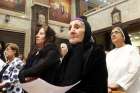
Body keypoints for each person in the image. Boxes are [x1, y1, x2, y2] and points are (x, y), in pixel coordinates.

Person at [56, 16, 108, 93]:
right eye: (70, 28)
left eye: (77, 27)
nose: (72, 31)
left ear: (87, 31)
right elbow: (60, 80)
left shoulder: (96, 52)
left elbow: (99, 87)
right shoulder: (69, 54)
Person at [106, 26, 140, 93]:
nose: (113, 34)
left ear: (123, 36)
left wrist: (119, 84)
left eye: (116, 32)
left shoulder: (132, 49)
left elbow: (135, 70)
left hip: (129, 89)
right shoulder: (110, 54)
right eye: (112, 33)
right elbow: (106, 72)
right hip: (112, 90)